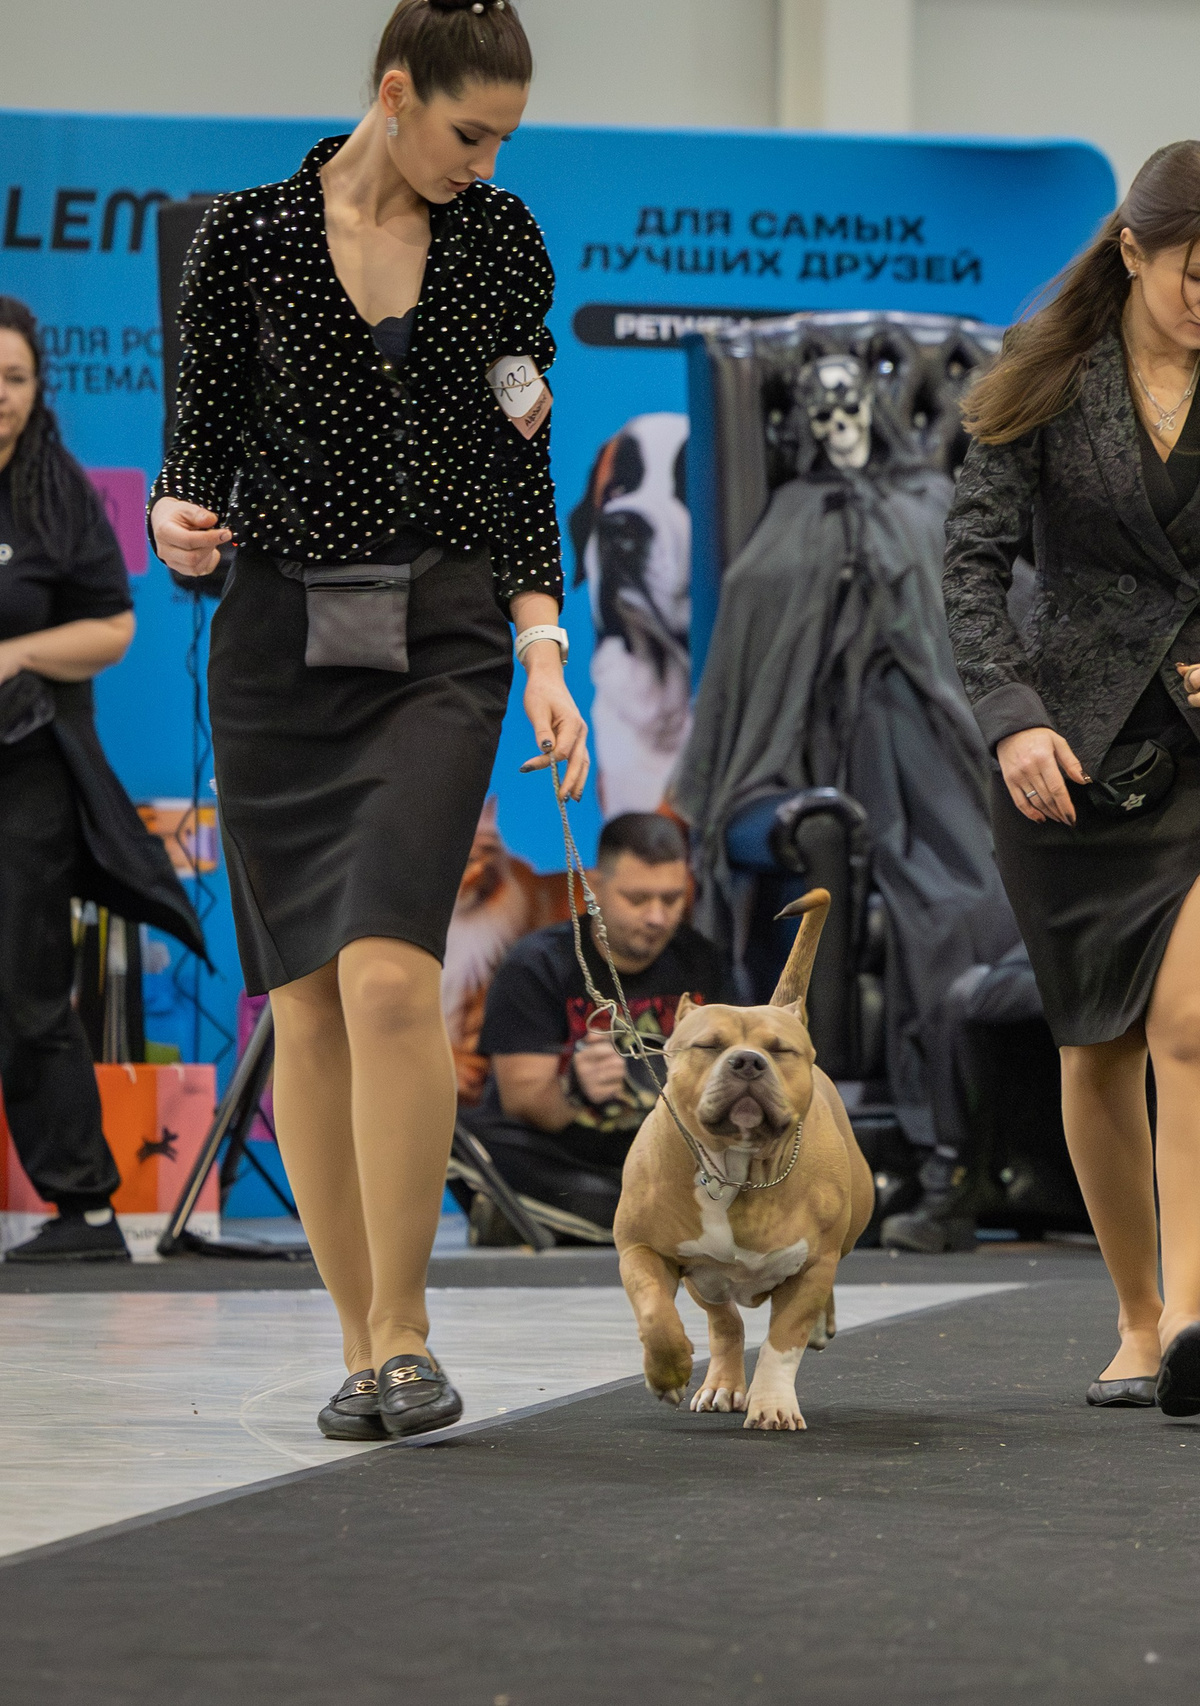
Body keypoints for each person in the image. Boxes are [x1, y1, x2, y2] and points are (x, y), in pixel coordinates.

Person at [149, 0, 583, 1441]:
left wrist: (545, 650)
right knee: (308, 1006)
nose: (489, 160)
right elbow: (193, 457)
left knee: (395, 977)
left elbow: (525, 469)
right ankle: (356, 1344)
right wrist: (176, 526)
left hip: (442, 646)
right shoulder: (247, 242)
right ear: (395, 94)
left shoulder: (503, 245)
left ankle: (409, 1331)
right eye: (472, 131)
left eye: (508, 136)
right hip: (274, 655)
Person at [943, 140, 1200, 1417]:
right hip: (1063, 760)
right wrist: (1013, 719)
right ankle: (1132, 1313)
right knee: (1094, 1045)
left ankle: (1187, 1310)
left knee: (1194, 1028)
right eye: (1195, 272)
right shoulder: (1041, 377)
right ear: (1130, 250)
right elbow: (969, 570)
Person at [0, 297, 209, 1263]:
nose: (0, 398)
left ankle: (83, 1211)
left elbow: (114, 629)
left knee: (27, 985)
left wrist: (13, 655)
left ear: (39, 390)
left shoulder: (55, 491)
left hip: (27, 770)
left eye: (14, 379)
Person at [460, 813, 723, 1242]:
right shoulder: (538, 964)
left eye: (671, 899)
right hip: (564, 1154)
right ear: (595, 886)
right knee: (470, 1141)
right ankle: (628, 1220)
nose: (657, 917)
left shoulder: (703, 962)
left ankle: (560, 1221)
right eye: (637, 899)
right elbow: (525, 1104)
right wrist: (576, 1087)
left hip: (667, 1154)